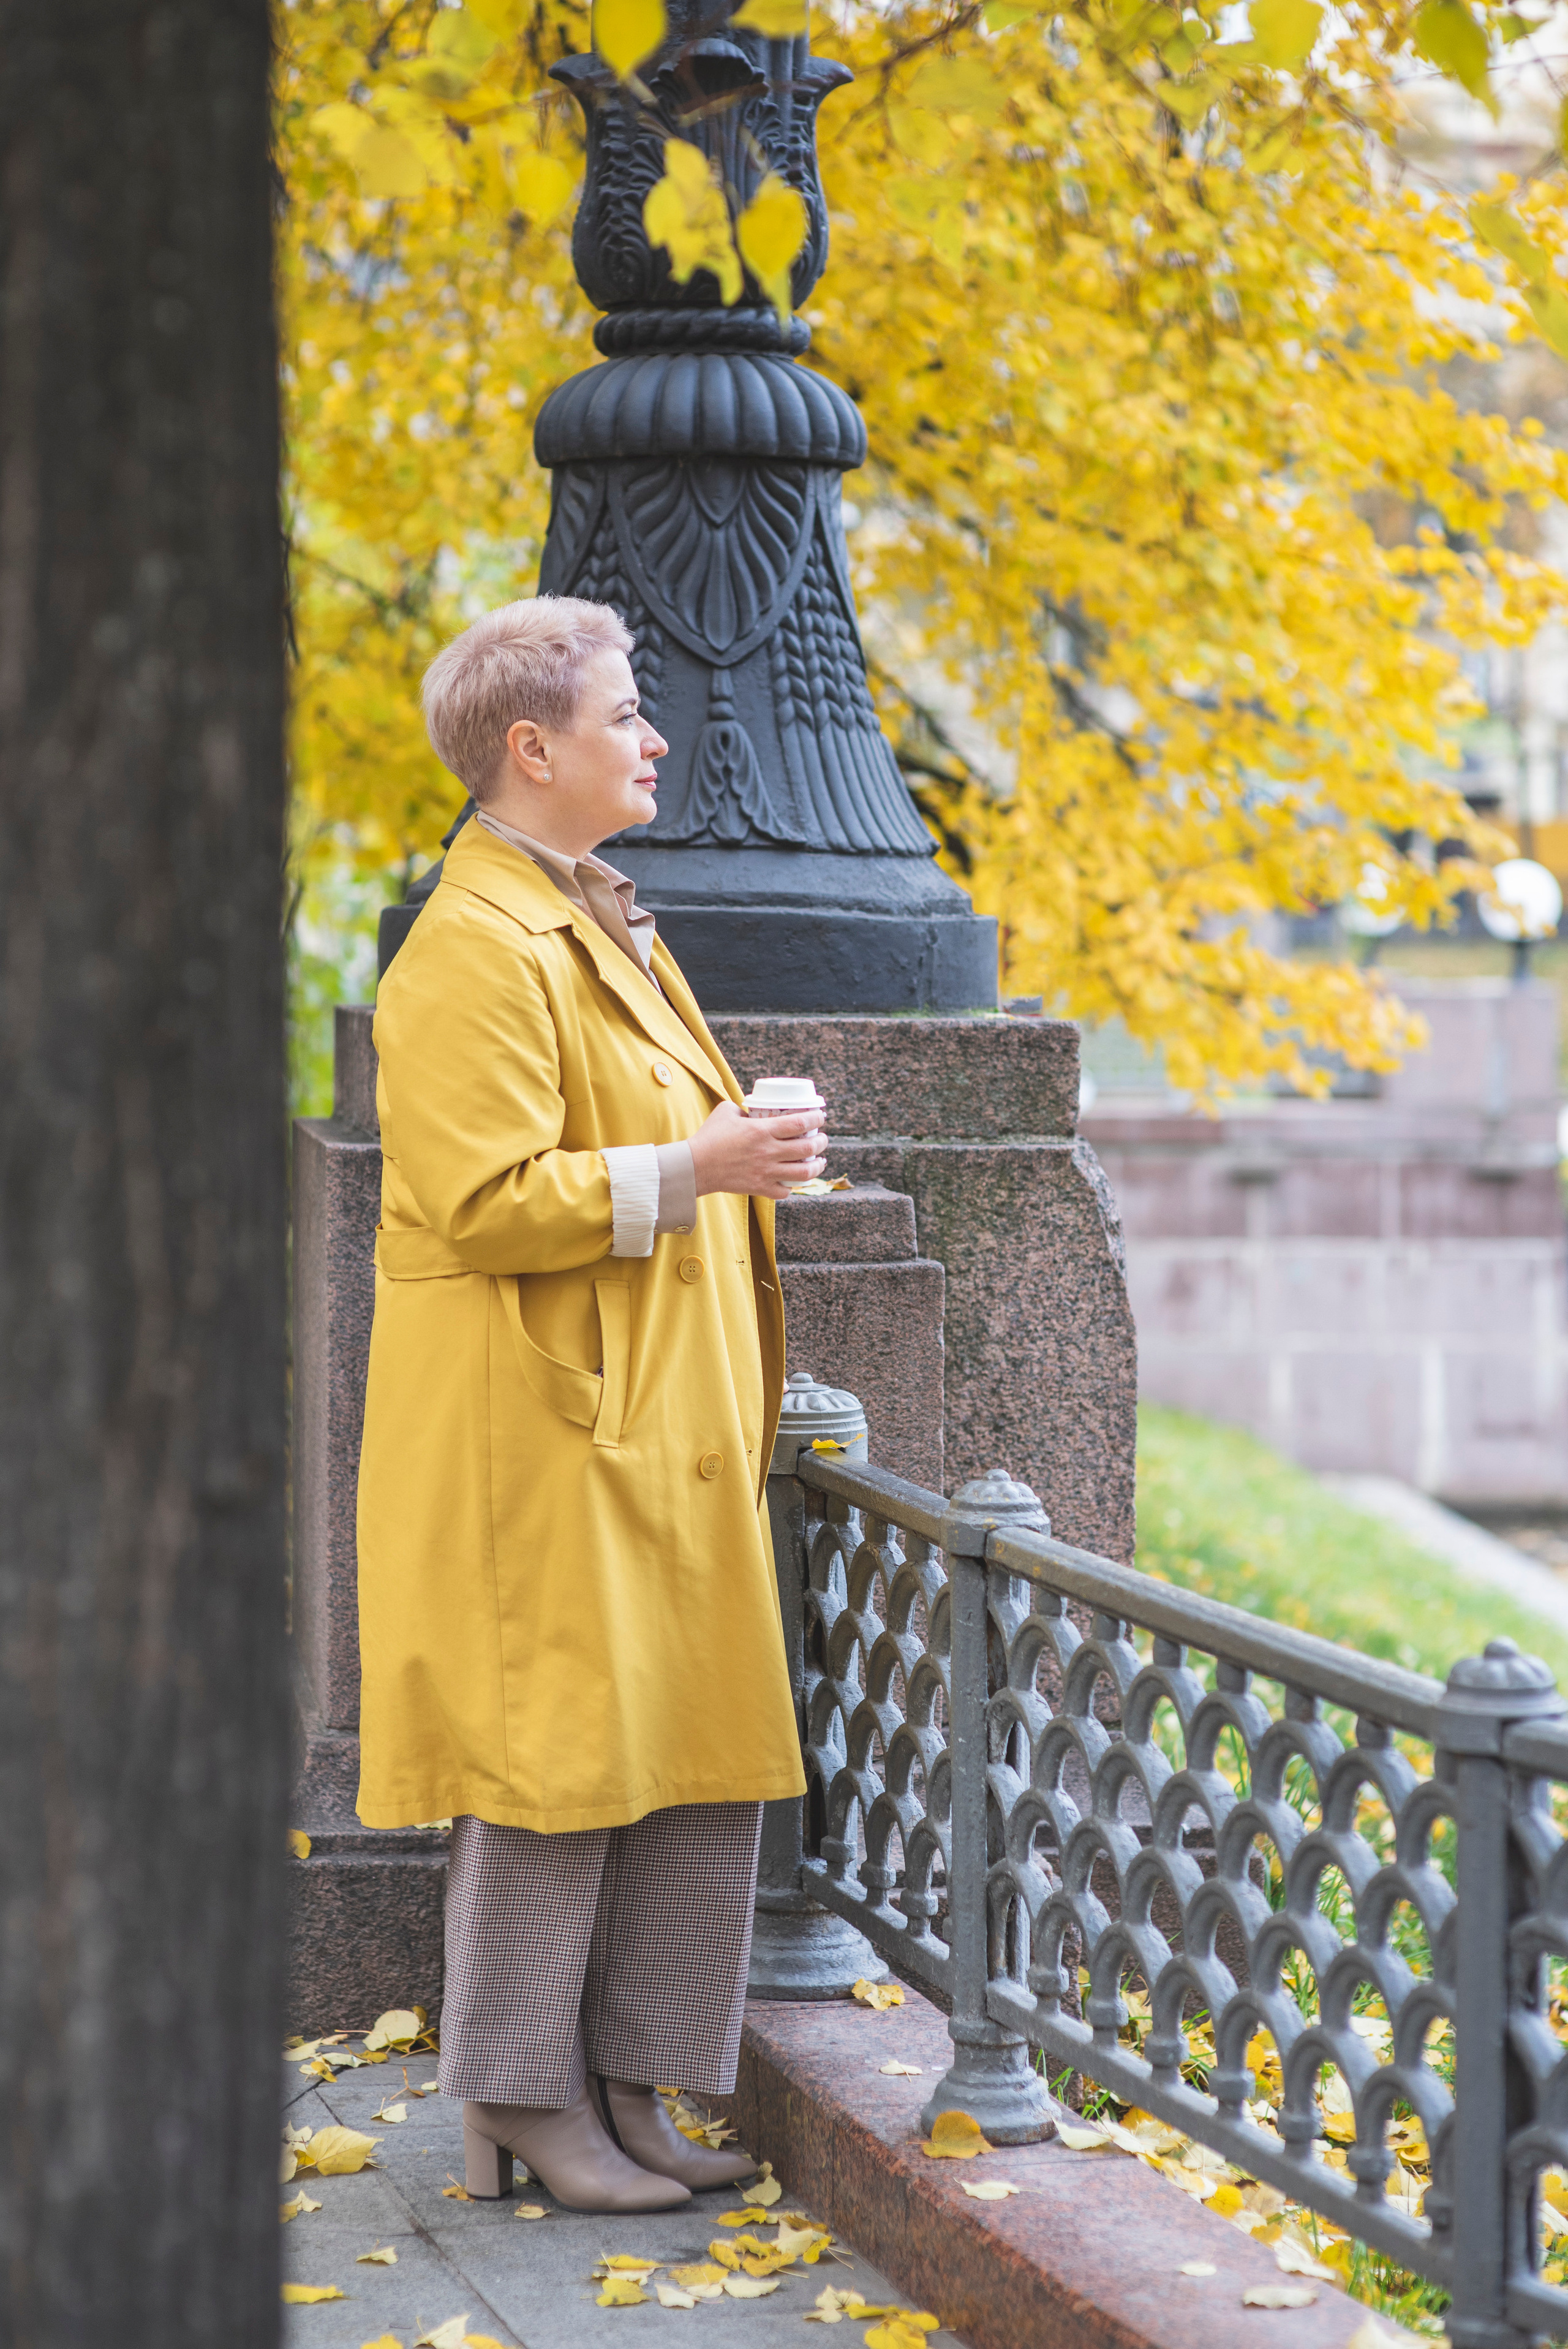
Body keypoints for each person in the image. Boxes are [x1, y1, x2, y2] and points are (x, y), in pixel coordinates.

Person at [355, 596, 824, 2214]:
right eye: (629, 713)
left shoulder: (595, 912)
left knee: (692, 1754)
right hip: (546, 1432)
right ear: (531, 747)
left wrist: (737, 1145)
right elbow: (480, 1199)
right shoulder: (471, 946)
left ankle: (626, 2082)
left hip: (649, 1417)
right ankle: (516, 2097)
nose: (658, 737)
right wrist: (702, 1165)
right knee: (558, 1771)